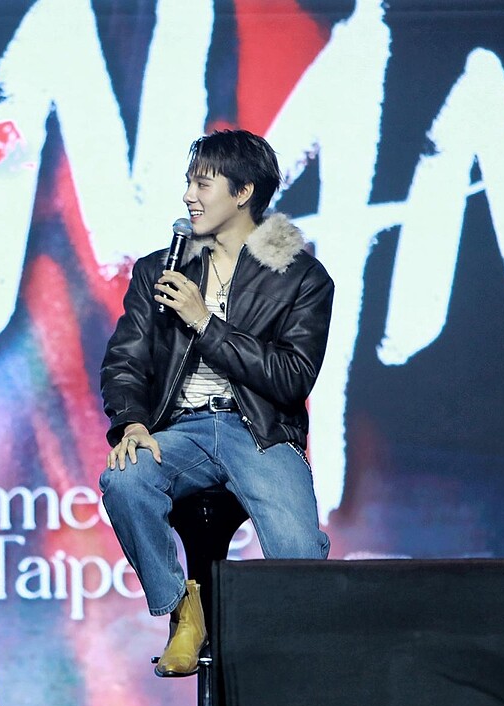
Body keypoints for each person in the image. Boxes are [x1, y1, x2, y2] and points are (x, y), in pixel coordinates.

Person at [99, 129, 333, 677]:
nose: (189, 196)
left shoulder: (301, 277)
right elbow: (125, 362)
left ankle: (275, 672)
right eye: (188, 183)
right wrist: (132, 424)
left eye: (202, 184)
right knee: (124, 480)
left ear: (243, 192)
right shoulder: (161, 269)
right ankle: (183, 610)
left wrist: (205, 322)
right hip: (181, 431)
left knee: (300, 553)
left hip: (260, 433)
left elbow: (292, 377)